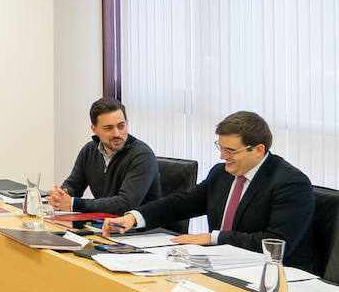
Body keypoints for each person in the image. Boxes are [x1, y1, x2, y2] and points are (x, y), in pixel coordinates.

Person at [103, 111, 316, 268]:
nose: (222, 157)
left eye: (231, 151)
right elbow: (183, 203)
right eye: (221, 148)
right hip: (220, 266)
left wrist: (213, 238)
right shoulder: (222, 173)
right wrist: (134, 217)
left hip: (273, 277)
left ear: (258, 150)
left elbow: (276, 244)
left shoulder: (290, 184)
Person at [47, 97, 161, 215]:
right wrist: (59, 197)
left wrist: (73, 204)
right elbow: (73, 185)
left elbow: (125, 204)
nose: (117, 133)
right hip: (106, 223)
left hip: (140, 230)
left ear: (127, 123)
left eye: (121, 126)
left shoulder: (142, 155)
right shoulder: (90, 150)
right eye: (108, 128)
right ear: (94, 129)